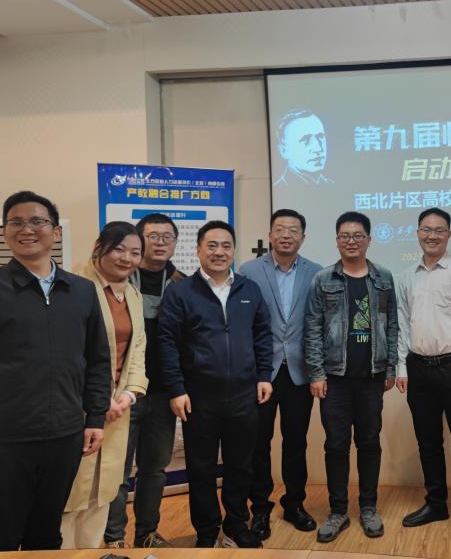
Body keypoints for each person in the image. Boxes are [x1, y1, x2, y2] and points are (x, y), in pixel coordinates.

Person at [0, 191, 111, 551]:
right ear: (5, 232)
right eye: (16, 222)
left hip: (65, 436)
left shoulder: (82, 291)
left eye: (37, 221)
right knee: (2, 539)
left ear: (55, 231)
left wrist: (95, 417)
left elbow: (98, 360)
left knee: (47, 535)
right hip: (3, 440)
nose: (27, 229)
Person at [158, 220, 274, 548]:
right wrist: (176, 388)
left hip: (244, 395)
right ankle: (207, 532)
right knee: (201, 468)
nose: (219, 252)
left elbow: (263, 335)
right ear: (198, 250)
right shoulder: (180, 292)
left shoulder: (249, 289)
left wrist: (264, 376)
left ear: (233, 250)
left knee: (241, 465)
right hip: (199, 397)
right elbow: (167, 342)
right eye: (212, 245)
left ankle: (236, 524)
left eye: (226, 246)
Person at [304, 211, 399, 543]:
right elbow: (312, 328)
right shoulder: (323, 279)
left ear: (369, 240)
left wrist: (390, 368)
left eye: (358, 235)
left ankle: (368, 508)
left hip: (372, 377)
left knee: (369, 443)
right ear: (337, 241)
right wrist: (316, 373)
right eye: (345, 236)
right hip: (335, 378)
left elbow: (392, 324)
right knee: (336, 445)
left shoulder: (383, 278)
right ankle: (338, 511)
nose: (351, 241)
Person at [396, 207, 451, 543]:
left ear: (449, 234)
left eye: (439, 230)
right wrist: (402, 367)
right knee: (428, 441)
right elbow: (403, 325)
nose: (432, 235)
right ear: (417, 233)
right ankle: (436, 503)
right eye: (426, 229)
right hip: (418, 367)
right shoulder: (407, 276)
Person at [61, 222, 149, 549]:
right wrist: (98, 400)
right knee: (70, 493)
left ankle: (90, 552)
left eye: (135, 252)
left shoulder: (133, 295)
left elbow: (138, 348)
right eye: (119, 249)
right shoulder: (73, 287)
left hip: (118, 409)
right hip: (78, 407)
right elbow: (68, 354)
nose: (127, 258)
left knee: (103, 491)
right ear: (99, 247)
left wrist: (128, 394)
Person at [104, 213, 186, 549]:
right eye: (153, 236)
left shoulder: (183, 284)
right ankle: (113, 538)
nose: (161, 243)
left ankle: (147, 533)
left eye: (168, 237)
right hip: (123, 393)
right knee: (118, 470)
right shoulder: (118, 282)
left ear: (176, 244)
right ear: (139, 242)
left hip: (164, 392)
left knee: (154, 469)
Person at [239, 209, 322, 539]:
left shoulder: (316, 273)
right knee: (258, 443)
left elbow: (318, 322)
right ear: (270, 234)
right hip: (261, 372)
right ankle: (260, 508)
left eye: (293, 230)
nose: (287, 235)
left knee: (296, 442)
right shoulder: (249, 271)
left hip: (300, 372)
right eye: (280, 229)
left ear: (303, 237)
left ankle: (294, 504)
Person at [274, 109, 330, 186]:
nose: (318, 148)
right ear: (284, 150)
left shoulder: (332, 185)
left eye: (320, 137)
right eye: (305, 140)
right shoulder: (281, 188)